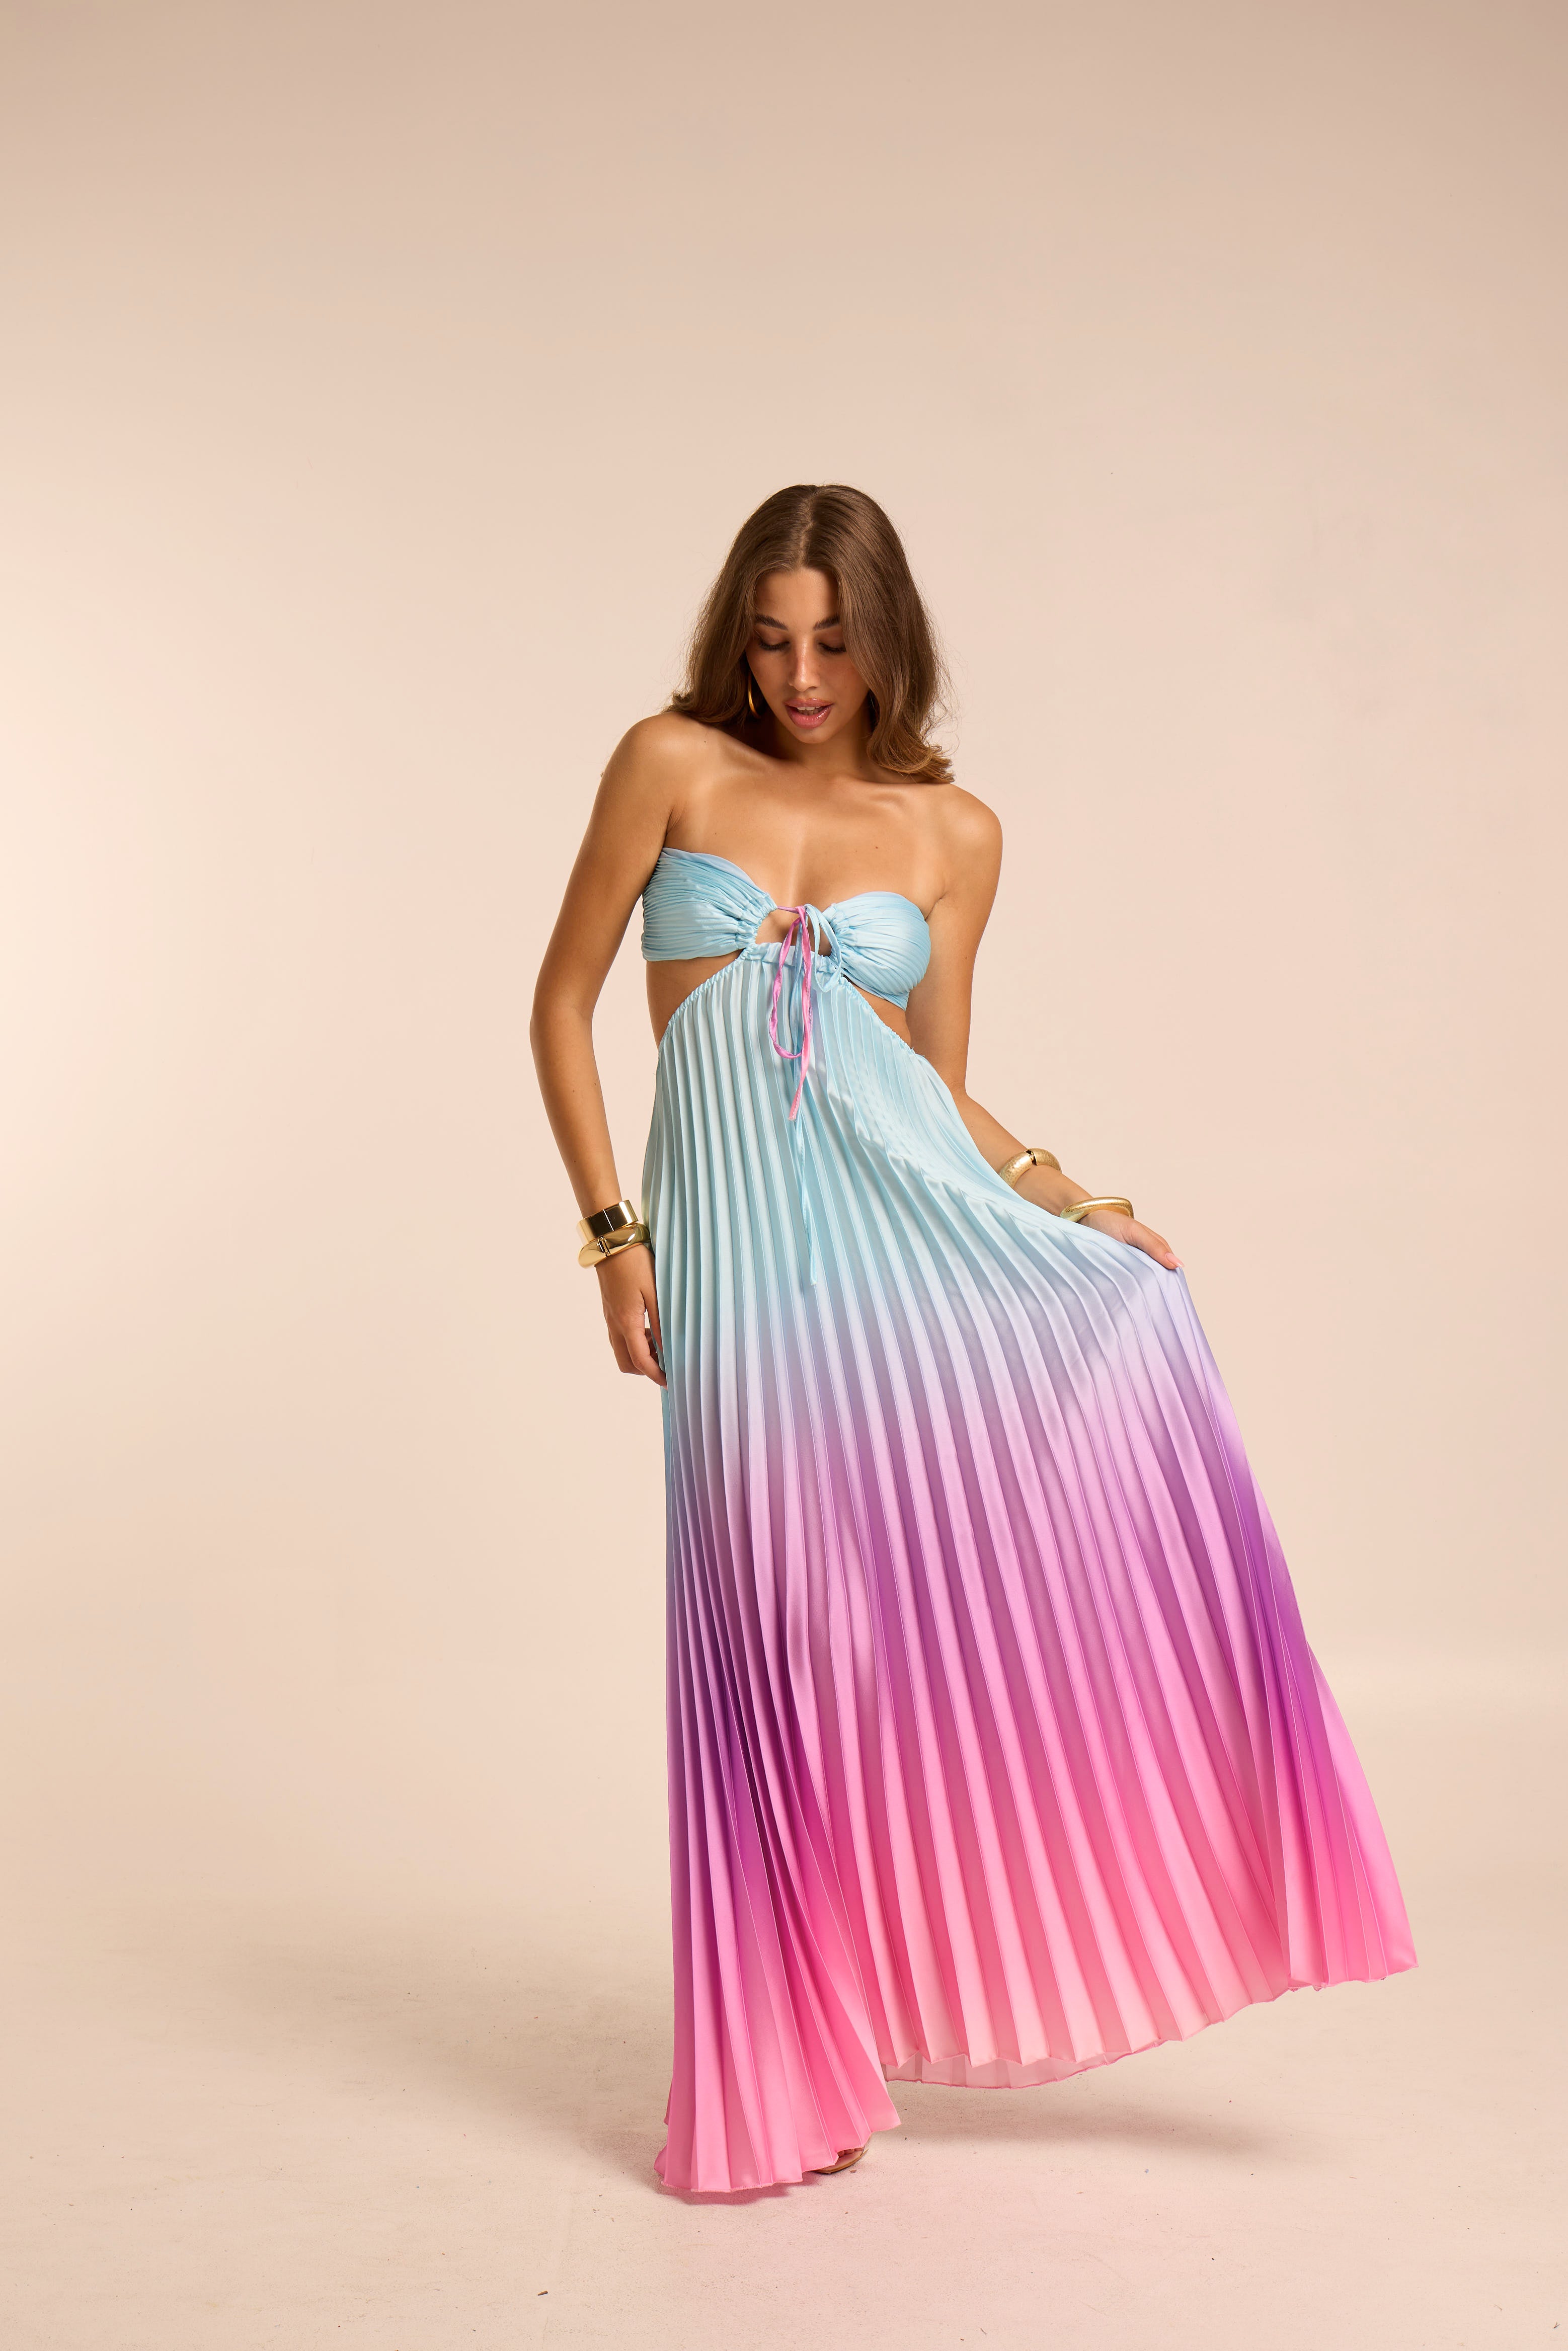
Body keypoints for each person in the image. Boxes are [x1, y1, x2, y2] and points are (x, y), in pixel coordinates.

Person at [530, 483, 1415, 2197]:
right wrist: (611, 1239)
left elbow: (927, 1089)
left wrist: (1070, 1199)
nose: (801, 677)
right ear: (734, 641)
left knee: (881, 1629)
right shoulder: (667, 763)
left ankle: (889, 2001)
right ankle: (774, 2068)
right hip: (735, 1265)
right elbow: (560, 1005)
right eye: (771, 642)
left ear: (888, 642)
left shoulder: (954, 833)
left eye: (833, 643)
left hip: (889, 1257)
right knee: (763, 1632)